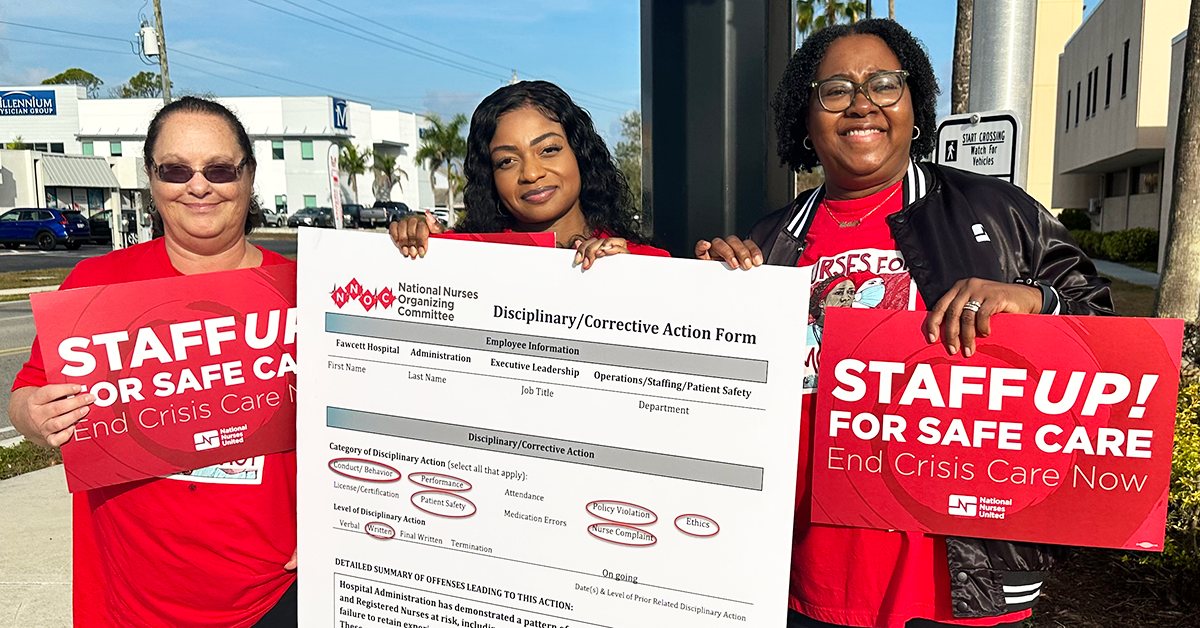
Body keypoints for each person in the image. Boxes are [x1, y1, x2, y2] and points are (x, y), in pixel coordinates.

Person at [695, 19, 1113, 628]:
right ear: (805, 123)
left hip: (955, 579)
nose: (862, 103)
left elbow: (1107, 336)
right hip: (807, 576)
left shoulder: (999, 213)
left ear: (914, 106)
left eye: (884, 84)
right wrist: (707, 297)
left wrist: (1036, 300)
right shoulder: (769, 239)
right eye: (835, 89)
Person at [8, 96, 298, 628]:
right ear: (151, 178)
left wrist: (339, 525)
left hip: (275, 592)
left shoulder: (303, 291)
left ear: (249, 176)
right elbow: (26, 394)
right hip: (132, 595)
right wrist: (36, 415)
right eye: (175, 169)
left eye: (219, 169)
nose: (199, 185)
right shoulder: (93, 287)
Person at [390, 80, 667, 262]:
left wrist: (635, 279)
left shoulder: (644, 261)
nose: (531, 174)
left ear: (580, 155)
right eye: (507, 161)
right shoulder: (454, 256)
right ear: (491, 177)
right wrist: (405, 242)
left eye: (548, 150)